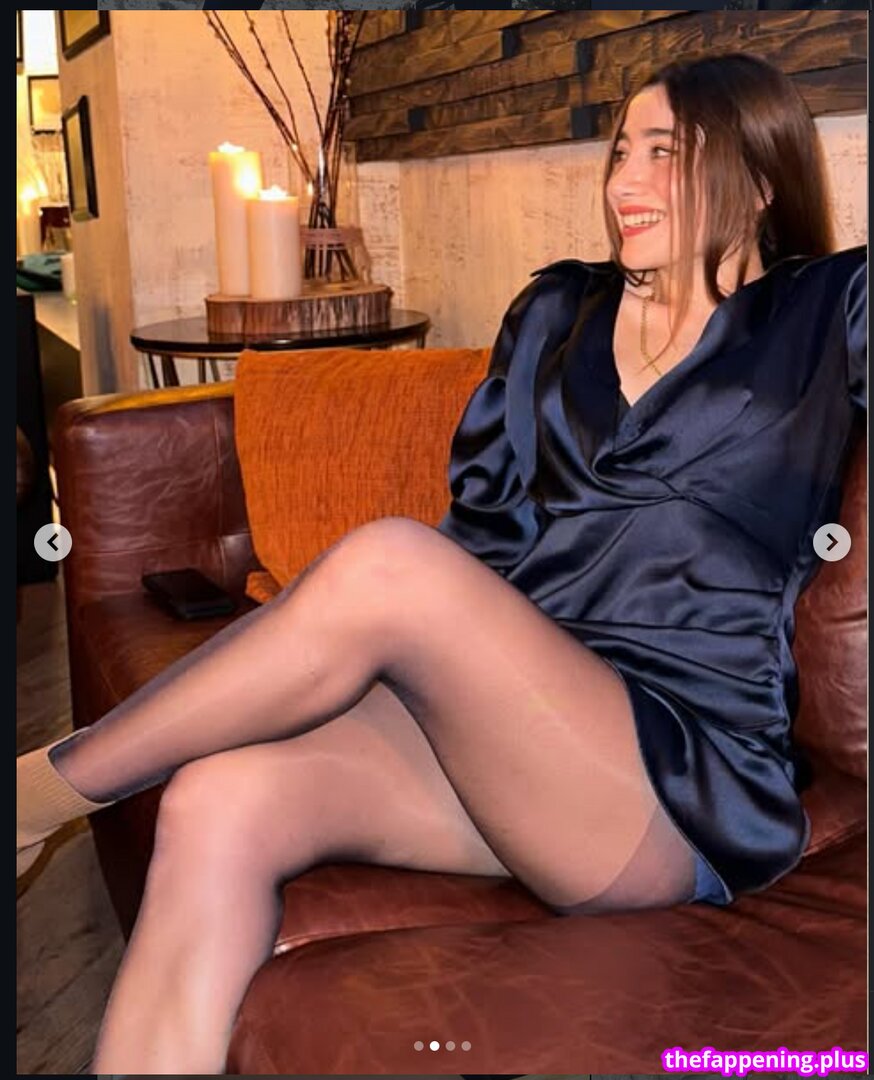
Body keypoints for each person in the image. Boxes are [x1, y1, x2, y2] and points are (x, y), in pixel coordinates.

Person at [17, 52, 866, 1074]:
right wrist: (381, 673)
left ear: (762, 178)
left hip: (672, 781)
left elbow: (419, 574)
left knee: (391, 562)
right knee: (216, 800)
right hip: (511, 732)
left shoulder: (829, 310)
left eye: (668, 153)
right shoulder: (557, 311)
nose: (627, 181)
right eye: (621, 152)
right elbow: (484, 537)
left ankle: (37, 798)